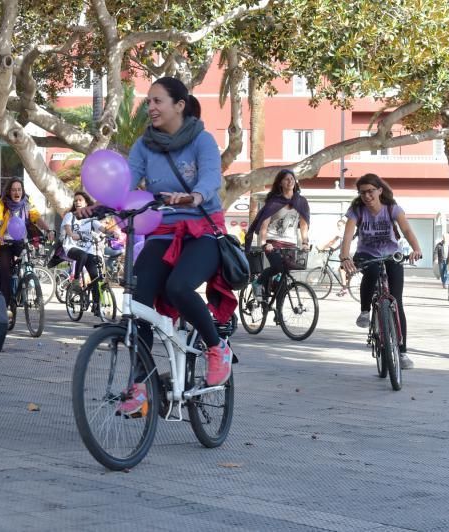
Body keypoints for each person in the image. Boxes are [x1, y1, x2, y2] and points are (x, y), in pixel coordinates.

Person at [111, 76, 237, 414]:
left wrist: (194, 195)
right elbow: (126, 181)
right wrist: (104, 202)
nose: (149, 107)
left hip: (202, 231)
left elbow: (212, 177)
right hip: (162, 234)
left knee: (179, 286)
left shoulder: (201, 140)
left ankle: (216, 347)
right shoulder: (143, 145)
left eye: (157, 101)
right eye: (148, 101)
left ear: (179, 105)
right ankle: (140, 386)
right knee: (137, 301)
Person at [340, 173, 422, 369]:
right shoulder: (357, 211)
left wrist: (416, 249)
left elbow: (408, 231)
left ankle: (402, 353)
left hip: (392, 254)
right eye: (362, 193)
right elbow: (347, 236)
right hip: (367, 254)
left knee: (397, 302)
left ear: (379, 191)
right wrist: (345, 257)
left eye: (370, 192)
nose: (367, 196)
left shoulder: (393, 209)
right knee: (373, 270)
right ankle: (365, 311)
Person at [244, 169, 311, 301]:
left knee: (284, 279)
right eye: (286, 179)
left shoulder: (301, 202)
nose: (290, 181)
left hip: (290, 243)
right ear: (280, 183)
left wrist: (305, 242)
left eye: (292, 178)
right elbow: (264, 226)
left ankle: (279, 314)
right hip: (273, 241)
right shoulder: (274, 202)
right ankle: (258, 282)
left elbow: (303, 225)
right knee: (277, 267)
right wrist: (264, 243)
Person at [0, 178, 49, 311]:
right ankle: (4, 308)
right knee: (6, 272)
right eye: (14, 190)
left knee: (26, 260)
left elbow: (36, 217)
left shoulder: (27, 203)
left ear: (22, 191)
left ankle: (23, 284)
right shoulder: (2, 203)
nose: (17, 192)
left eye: (19, 189)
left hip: (20, 241)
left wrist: (48, 229)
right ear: (9, 192)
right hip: (3, 242)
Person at [61, 191, 105, 315]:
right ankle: (75, 280)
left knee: (95, 275)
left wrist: (113, 233)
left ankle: (97, 305)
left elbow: (102, 228)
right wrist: (72, 234)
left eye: (80, 200)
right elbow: (68, 229)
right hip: (71, 247)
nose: (77, 202)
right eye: (75, 200)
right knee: (82, 255)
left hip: (88, 249)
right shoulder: (70, 215)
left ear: (86, 203)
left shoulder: (91, 219)